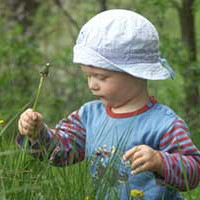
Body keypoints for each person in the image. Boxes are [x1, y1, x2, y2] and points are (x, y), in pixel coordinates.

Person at [17, 9, 200, 200]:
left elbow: (194, 170)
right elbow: (61, 152)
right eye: (88, 75)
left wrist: (160, 161)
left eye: (101, 77)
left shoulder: (164, 124)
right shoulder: (89, 116)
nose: (92, 84)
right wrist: (38, 133)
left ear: (136, 72)